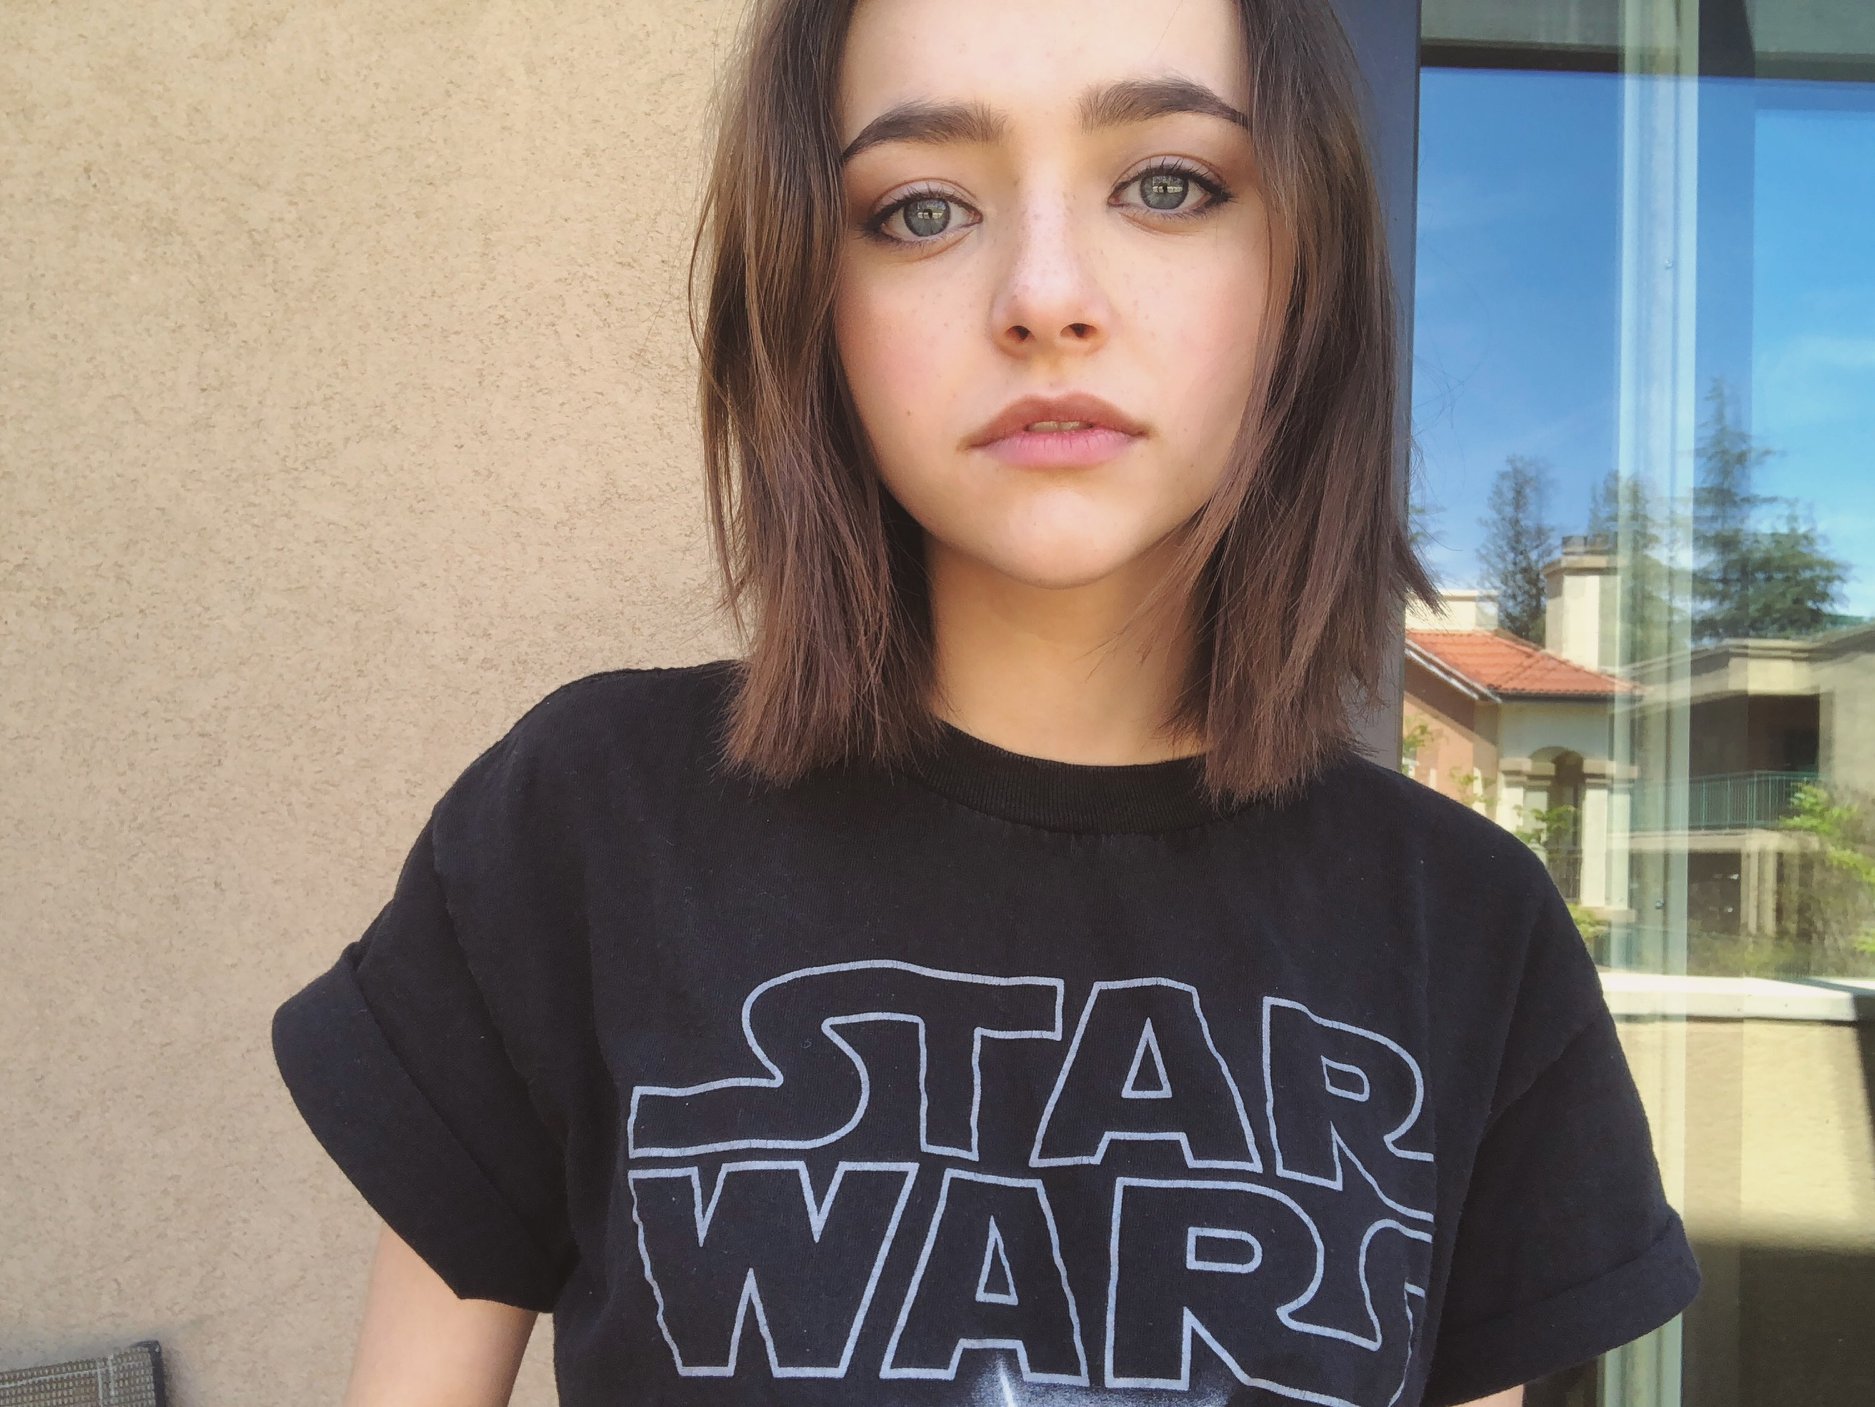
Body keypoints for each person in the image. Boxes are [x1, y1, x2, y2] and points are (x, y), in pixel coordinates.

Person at [271, 0, 1703, 1403]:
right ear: (811, 294)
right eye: (922, 210)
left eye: (1166, 185)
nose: (1045, 296)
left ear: (1302, 266)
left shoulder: (1466, 933)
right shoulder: (586, 827)